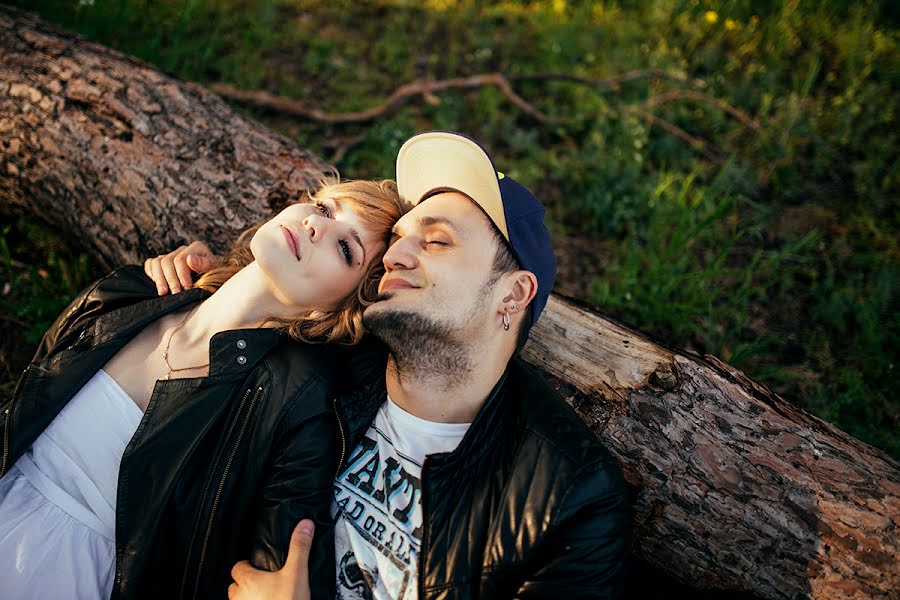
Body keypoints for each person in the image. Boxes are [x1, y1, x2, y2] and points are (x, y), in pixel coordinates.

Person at [153, 131, 633, 600]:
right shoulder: (313, 371)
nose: (396, 256)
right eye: (398, 240)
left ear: (513, 294)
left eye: (437, 242)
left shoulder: (570, 497)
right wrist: (200, 279)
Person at [0, 179, 406, 599]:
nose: (315, 226)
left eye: (346, 249)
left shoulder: (296, 400)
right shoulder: (131, 292)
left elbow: (279, 564)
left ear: (343, 309)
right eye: (324, 208)